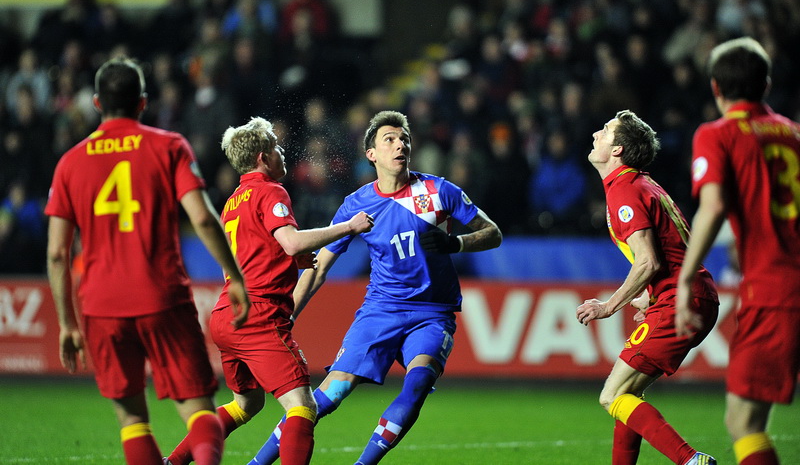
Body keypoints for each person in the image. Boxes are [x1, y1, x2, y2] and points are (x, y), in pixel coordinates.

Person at [250, 110, 502, 465]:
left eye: (405, 140)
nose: (400, 144)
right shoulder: (356, 205)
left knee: (415, 388)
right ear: (372, 154)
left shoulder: (439, 190)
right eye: (390, 140)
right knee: (328, 396)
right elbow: (320, 266)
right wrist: (287, 312)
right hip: (380, 311)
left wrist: (455, 244)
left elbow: (493, 232)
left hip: (432, 314)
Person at [44, 57, 251, 465]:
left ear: (97, 103)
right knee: (198, 410)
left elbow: (56, 252)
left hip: (102, 307)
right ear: (142, 102)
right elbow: (204, 219)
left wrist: (67, 323)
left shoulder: (70, 162)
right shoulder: (168, 145)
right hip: (162, 296)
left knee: (132, 419)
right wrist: (236, 276)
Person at [166, 117, 374, 465]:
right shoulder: (271, 191)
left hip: (226, 315)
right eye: (276, 148)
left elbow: (244, 257)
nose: (282, 153)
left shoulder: (233, 200)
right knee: (303, 408)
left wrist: (286, 259)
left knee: (246, 404)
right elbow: (290, 242)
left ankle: (172, 462)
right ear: (263, 157)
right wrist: (348, 226)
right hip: (259, 315)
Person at [676, 37, 800, 465]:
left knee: (743, 423)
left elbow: (712, 207)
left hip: (776, 290)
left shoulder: (719, 134)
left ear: (715, 88)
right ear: (766, 84)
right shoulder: (794, 134)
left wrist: (687, 278)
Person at [577, 109, 718, 465]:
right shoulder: (642, 183)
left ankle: (690, 460)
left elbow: (649, 261)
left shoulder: (624, 189)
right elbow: (671, 255)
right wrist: (648, 295)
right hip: (685, 295)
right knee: (629, 396)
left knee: (611, 397)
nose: (596, 133)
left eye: (606, 130)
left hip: (679, 300)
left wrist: (610, 305)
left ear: (618, 150)